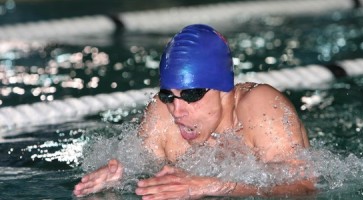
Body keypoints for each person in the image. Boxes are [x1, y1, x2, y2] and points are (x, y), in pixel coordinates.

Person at [73, 24, 315, 199]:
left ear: (223, 90)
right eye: (168, 95)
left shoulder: (261, 108)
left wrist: (215, 187)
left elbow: (303, 188)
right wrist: (116, 178)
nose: (177, 111)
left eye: (191, 95)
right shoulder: (161, 113)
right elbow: (140, 165)